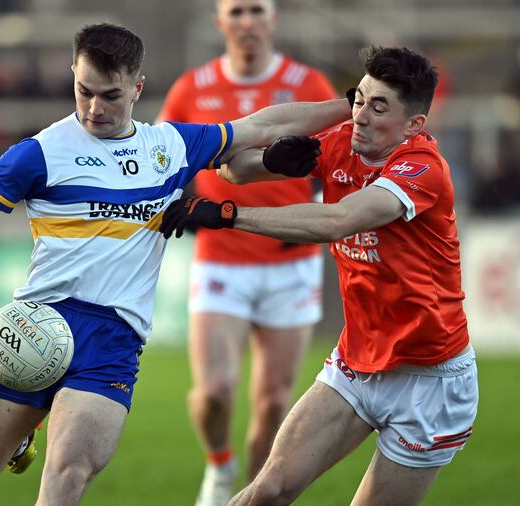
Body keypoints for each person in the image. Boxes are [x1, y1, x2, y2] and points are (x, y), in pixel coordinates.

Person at [0, 23, 350, 505]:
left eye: (111, 95)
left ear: (138, 88)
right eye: (84, 91)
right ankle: (27, 423)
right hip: (34, 328)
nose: (94, 107)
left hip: (111, 342)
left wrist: (349, 106)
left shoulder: (169, 146)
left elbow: (262, 124)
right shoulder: (40, 153)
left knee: (67, 474)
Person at [160, 46, 478, 506]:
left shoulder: (422, 169)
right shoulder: (342, 141)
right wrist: (274, 160)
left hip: (429, 383)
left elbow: (338, 221)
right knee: (265, 492)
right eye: (360, 99)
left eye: (379, 106)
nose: (361, 116)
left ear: (413, 125)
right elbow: (234, 169)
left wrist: (225, 215)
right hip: (356, 365)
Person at [156, 2, 336, 504]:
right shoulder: (193, 87)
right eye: (236, 10)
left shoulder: (309, 85)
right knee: (214, 392)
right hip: (222, 258)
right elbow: (159, 155)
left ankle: (253, 497)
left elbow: (342, 155)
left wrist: (313, 213)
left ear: (273, 19)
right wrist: (178, 202)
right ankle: (218, 465)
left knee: (274, 402)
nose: (247, 20)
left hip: (290, 263)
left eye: (257, 9)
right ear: (220, 23)